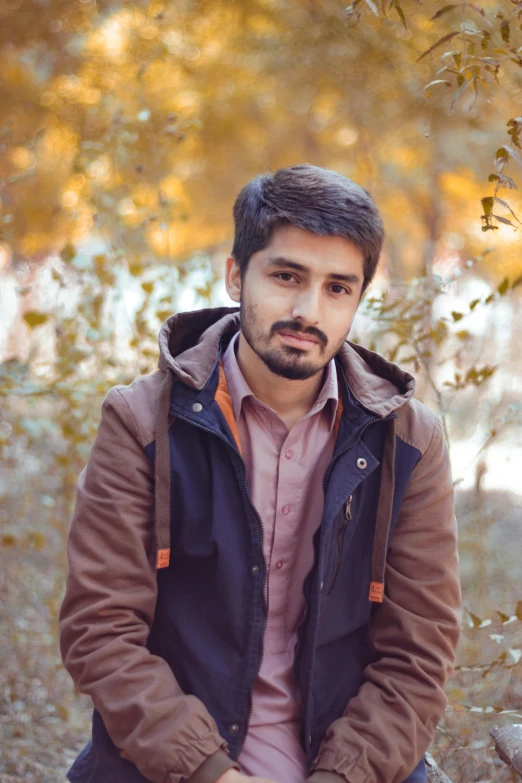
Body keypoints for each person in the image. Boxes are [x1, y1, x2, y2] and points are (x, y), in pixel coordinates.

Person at [59, 164, 461, 783]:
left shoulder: (408, 440)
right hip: (171, 764)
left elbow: (418, 654)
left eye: (337, 288)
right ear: (235, 275)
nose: (307, 310)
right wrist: (211, 772)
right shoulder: (142, 422)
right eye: (286, 276)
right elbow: (100, 632)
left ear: (358, 297)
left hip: (347, 764)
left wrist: (342, 775)